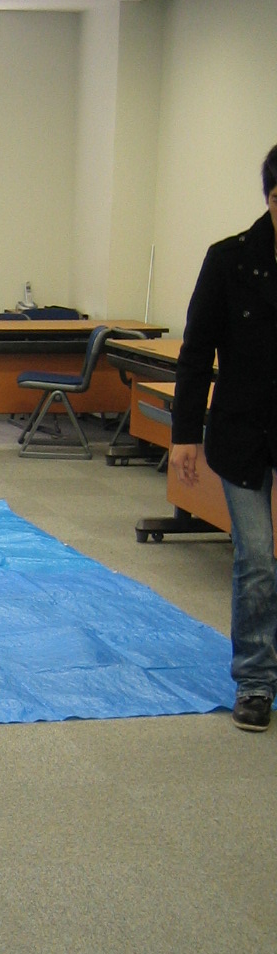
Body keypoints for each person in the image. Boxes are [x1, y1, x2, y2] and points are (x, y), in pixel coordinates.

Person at [171, 143, 277, 733]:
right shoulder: (229, 260)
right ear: (268, 197)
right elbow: (195, 351)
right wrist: (185, 434)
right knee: (256, 557)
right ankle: (255, 681)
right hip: (241, 434)